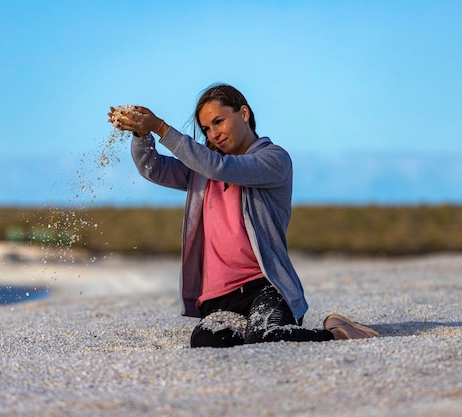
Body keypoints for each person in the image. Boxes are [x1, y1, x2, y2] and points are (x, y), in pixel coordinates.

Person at [108, 83, 380, 348]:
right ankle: (259, 331)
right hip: (218, 297)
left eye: (219, 121)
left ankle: (338, 332)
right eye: (206, 128)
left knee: (265, 337)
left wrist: (161, 127)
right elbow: (152, 168)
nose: (213, 134)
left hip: (265, 288)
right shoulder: (201, 168)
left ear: (244, 114)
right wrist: (141, 133)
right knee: (206, 341)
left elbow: (222, 168)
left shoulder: (274, 160)